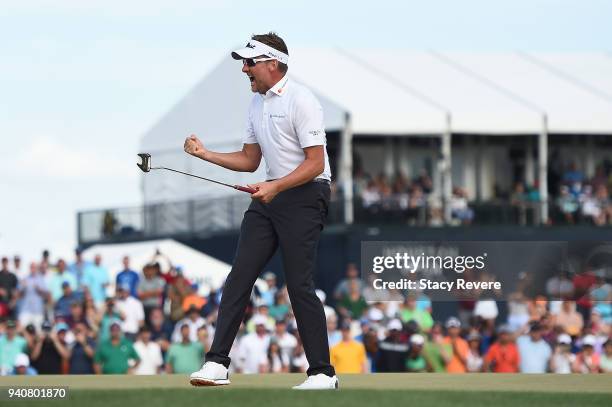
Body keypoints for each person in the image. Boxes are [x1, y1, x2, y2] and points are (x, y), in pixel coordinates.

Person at [186, 32, 337, 389]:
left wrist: (276, 186)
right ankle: (217, 364)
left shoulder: (302, 100)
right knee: (239, 275)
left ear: (273, 63)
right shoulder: (256, 104)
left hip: (306, 194)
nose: (244, 69)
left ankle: (322, 373)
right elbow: (250, 160)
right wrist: (205, 154)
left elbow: (316, 164)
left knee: (298, 284)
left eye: (250, 62)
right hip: (272, 196)